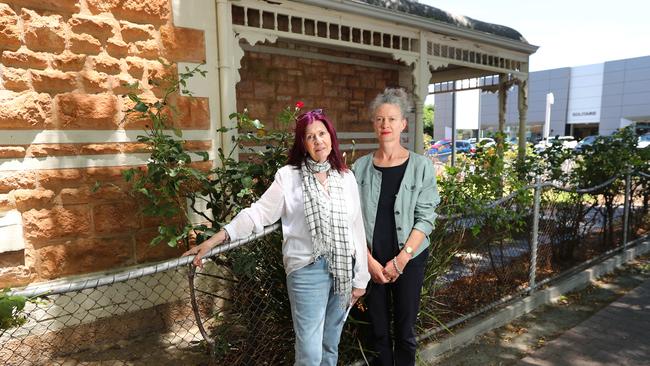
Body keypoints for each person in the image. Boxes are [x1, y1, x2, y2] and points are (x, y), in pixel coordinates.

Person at [183, 109, 370, 366]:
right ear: (303, 144)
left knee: (330, 347)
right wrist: (213, 241)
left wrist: (361, 277)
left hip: (343, 271)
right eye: (310, 136)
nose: (318, 141)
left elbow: (355, 228)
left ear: (331, 137)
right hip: (307, 272)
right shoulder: (289, 177)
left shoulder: (345, 177)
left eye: (322, 134)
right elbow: (257, 214)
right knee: (309, 354)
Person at [352, 88, 439, 366]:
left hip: (409, 259)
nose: (385, 125)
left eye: (391, 119)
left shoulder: (421, 167)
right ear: (374, 125)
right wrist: (368, 261)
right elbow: (352, 219)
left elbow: (426, 217)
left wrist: (402, 259)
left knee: (405, 332)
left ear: (403, 124)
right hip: (371, 261)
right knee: (376, 332)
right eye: (379, 119)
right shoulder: (360, 168)